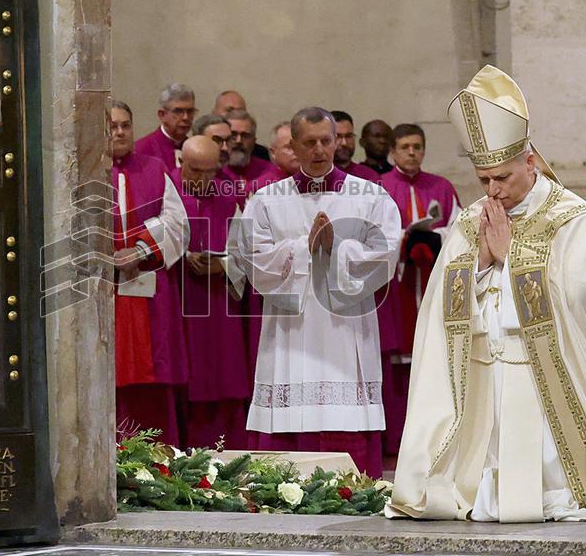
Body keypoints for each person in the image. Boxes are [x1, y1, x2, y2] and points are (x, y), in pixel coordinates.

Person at [386, 65, 586, 524]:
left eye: (503, 177)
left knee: (550, 483)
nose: (493, 190)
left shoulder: (573, 219)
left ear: (530, 162)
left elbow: (584, 296)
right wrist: (483, 265)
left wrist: (513, 259)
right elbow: (440, 309)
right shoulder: (472, 220)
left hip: (546, 371)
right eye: (484, 178)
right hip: (485, 372)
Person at [231, 107, 401, 477]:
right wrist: (302, 248)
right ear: (292, 146)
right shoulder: (266, 199)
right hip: (291, 329)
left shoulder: (370, 195)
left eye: (328, 140)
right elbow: (251, 258)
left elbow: (387, 252)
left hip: (346, 327)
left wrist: (337, 246)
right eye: (310, 143)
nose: (321, 150)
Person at [377, 123, 460, 457]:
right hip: (395, 289)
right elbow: (372, 234)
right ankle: (396, 439)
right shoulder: (380, 187)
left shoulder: (441, 186)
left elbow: (459, 231)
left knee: (431, 359)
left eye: (417, 147)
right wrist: (403, 239)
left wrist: (434, 238)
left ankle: (432, 439)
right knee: (398, 365)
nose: (412, 153)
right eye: (405, 147)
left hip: (430, 282)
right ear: (393, 152)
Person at [110, 101, 190, 446]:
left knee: (152, 379)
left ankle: (159, 462)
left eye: (125, 125)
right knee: (107, 377)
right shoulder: (79, 172)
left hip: (150, 290)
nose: (119, 132)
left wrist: (141, 249)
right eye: (111, 126)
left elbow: (178, 225)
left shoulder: (155, 168)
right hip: (104, 291)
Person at [175, 136, 249, 449]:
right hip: (179, 304)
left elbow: (245, 253)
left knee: (224, 376)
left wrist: (222, 266)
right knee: (185, 378)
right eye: (196, 171)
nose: (204, 180)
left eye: (210, 172)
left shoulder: (226, 199)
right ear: (181, 163)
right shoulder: (167, 195)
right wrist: (183, 257)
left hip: (218, 305)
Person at [136, 83, 198, 171]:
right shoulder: (141, 150)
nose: (186, 117)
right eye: (178, 111)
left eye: (190, 111)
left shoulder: (195, 150)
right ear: (162, 115)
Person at [214, 90, 269, 160]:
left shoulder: (260, 154)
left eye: (240, 111)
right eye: (229, 110)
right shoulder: (204, 146)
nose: (235, 114)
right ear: (214, 113)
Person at [225, 109, 274, 186]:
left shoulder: (270, 172)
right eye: (233, 134)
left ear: (254, 140)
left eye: (245, 136)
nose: (239, 141)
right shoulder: (211, 171)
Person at [330, 110, 383, 182]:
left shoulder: (369, 177)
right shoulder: (316, 176)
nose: (344, 143)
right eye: (338, 136)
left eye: (349, 136)